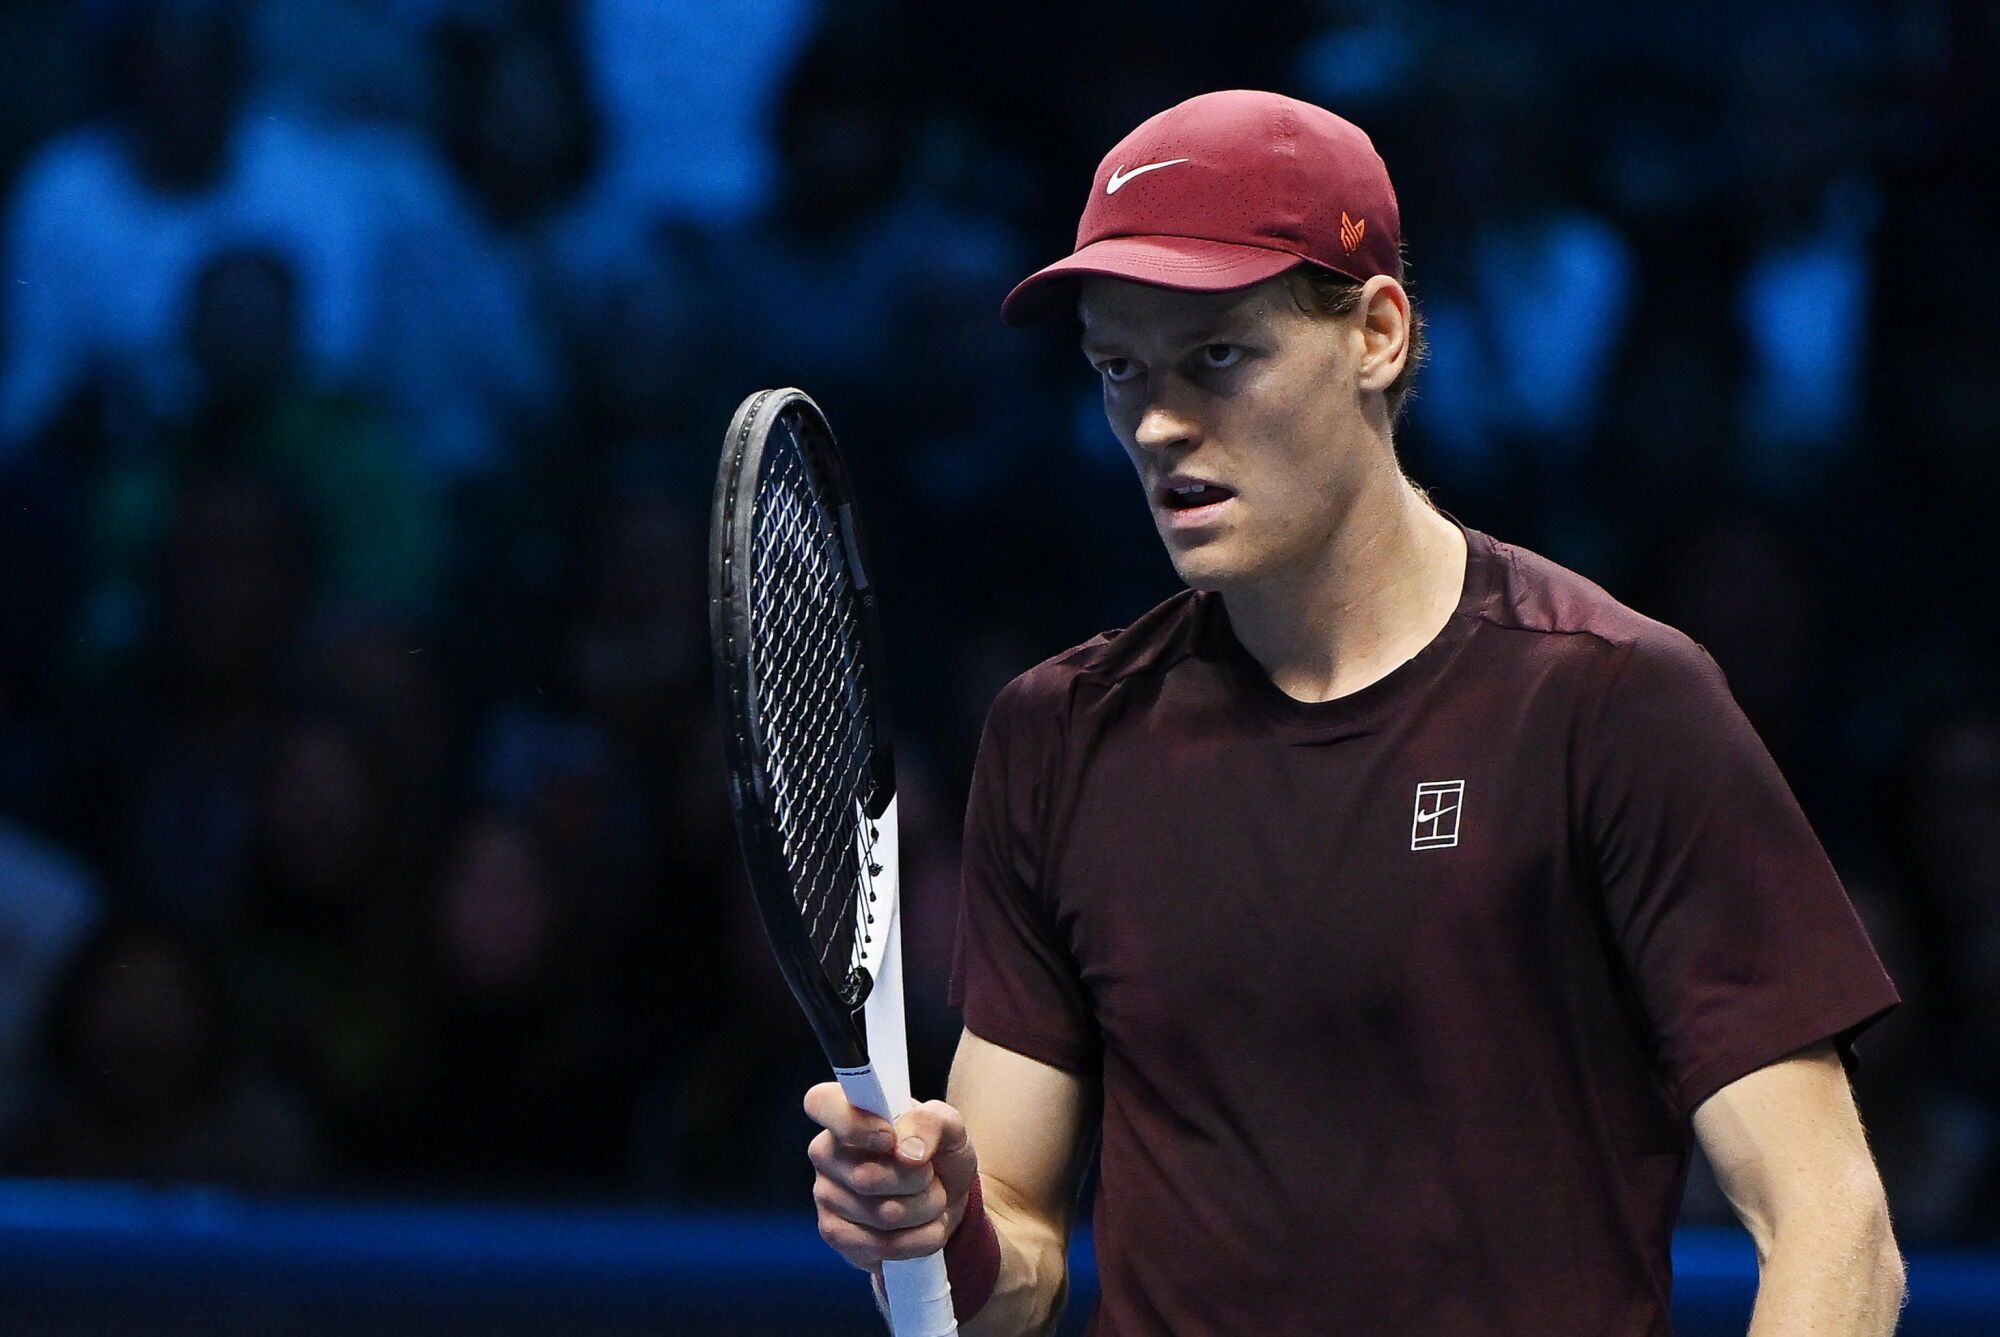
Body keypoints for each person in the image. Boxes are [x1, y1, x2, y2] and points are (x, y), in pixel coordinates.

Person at [803, 90, 1905, 1335]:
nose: (1158, 423)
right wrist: (939, 1225)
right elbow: (1022, 1264)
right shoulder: (1055, 734)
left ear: (1376, 332)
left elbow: (1830, 1221)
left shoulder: (1610, 699)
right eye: (1120, 369)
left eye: (1217, 355)